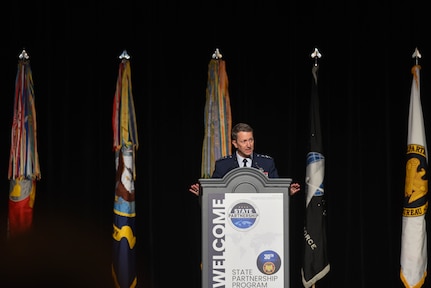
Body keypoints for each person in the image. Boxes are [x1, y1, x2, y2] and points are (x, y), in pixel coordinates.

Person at [189, 122, 300, 196]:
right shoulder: (223, 165)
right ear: (235, 143)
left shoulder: (266, 163)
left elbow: (276, 188)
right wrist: (203, 194)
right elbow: (214, 192)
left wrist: (287, 192)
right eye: (244, 141)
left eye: (251, 140)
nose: (249, 145)